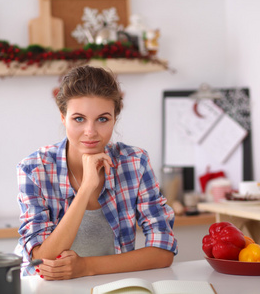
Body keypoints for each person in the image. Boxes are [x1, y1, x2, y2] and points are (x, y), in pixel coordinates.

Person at [17, 65, 177, 280]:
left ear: (114, 118)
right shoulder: (35, 169)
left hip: (108, 285)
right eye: (79, 119)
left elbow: (163, 252)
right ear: (63, 117)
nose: (90, 132)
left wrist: (86, 267)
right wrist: (86, 189)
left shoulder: (134, 163)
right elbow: (42, 260)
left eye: (102, 119)